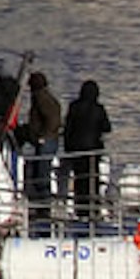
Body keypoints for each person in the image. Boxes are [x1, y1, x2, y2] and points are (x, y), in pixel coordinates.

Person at [62, 79, 112, 217]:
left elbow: (68, 128)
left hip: (76, 150)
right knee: (93, 179)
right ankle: (93, 208)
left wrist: (68, 148)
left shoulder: (74, 107)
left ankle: (80, 209)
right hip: (93, 150)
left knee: (79, 180)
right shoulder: (98, 109)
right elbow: (107, 127)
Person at [19, 71, 62, 205]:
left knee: (42, 173)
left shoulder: (41, 98)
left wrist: (43, 135)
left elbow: (53, 119)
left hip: (46, 141)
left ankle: (44, 203)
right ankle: (43, 202)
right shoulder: (45, 97)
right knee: (41, 171)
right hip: (48, 140)